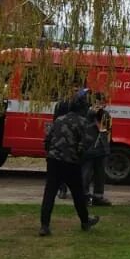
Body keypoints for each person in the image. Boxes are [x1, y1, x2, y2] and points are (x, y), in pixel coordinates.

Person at [40, 93, 101, 236]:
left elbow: (47, 140)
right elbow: (85, 145)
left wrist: (51, 154)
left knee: (49, 193)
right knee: (78, 194)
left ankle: (44, 225)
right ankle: (85, 222)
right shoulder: (83, 123)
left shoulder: (59, 120)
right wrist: (78, 158)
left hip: (54, 160)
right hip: (71, 162)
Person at [84, 91, 113, 206]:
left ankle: (98, 197)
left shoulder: (106, 115)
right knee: (86, 174)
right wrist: (91, 114)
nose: (101, 105)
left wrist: (107, 147)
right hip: (89, 148)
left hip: (101, 148)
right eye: (98, 102)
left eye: (103, 102)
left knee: (100, 175)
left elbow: (108, 131)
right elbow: (83, 126)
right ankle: (84, 196)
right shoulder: (87, 113)